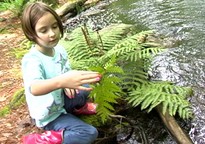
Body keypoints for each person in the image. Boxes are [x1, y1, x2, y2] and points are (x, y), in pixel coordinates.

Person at [20, 2, 101, 144]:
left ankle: (78, 108)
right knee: (89, 133)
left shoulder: (59, 50)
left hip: (61, 100)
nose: (52, 34)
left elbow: (65, 73)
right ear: (32, 34)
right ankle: (44, 139)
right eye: (44, 30)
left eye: (55, 26)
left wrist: (67, 84)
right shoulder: (32, 60)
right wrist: (62, 82)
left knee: (86, 86)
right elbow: (34, 88)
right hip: (49, 114)